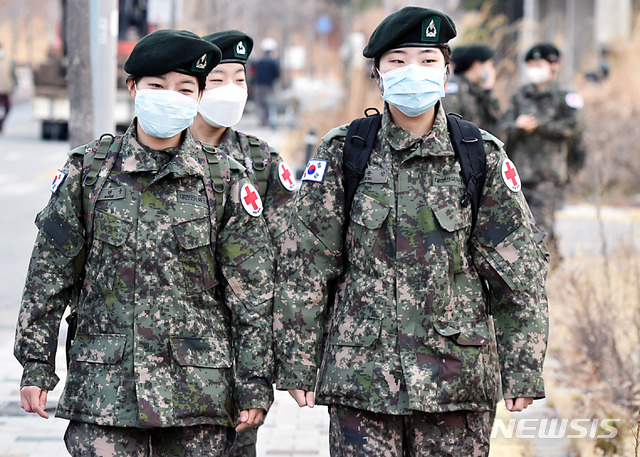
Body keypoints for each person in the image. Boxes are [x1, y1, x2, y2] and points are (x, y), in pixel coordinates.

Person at [273, 7, 549, 456]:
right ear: (377, 73)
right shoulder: (346, 150)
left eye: (426, 60)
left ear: (446, 71)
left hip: (457, 382)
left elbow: (517, 271)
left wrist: (523, 367)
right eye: (398, 61)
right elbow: (306, 261)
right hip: (361, 380)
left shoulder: (479, 155)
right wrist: (299, 361)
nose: (413, 73)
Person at [14, 29, 275, 456]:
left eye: (184, 88)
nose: (170, 96)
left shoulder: (224, 179)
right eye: (157, 86)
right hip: (105, 391)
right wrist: (35, 366)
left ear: (198, 96)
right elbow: (49, 273)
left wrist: (254, 382)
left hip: (198, 394)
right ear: (133, 87)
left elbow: (252, 295)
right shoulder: (89, 173)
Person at [190, 29, 297, 457]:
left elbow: (290, 255)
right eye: (217, 79)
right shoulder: (156, 152)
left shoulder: (261, 160)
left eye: (239, 78)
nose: (231, 90)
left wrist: (273, 363)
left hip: (237, 351)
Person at [501, 42, 585, 259]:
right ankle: (556, 260)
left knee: (540, 222)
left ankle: (540, 269)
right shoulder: (521, 95)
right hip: (520, 173)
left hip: (550, 172)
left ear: (554, 65)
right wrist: (517, 125)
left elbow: (573, 128)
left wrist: (541, 126)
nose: (534, 68)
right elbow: (503, 125)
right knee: (525, 222)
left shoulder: (566, 95)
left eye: (539, 64)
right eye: (531, 64)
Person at [445, 44, 501, 135]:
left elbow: (496, 120)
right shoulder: (455, 87)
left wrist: (488, 90)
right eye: (489, 65)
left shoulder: (479, 89)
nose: (492, 70)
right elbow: (448, 122)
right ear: (477, 65)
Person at [251, 37, 280, 129]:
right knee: (269, 103)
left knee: (260, 104)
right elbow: (277, 75)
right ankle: (268, 120)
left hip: (258, 86)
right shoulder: (273, 62)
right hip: (269, 86)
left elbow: (253, 74)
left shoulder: (258, 61)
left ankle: (262, 121)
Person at [0, 44, 17, 133]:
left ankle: (1, 123)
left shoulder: (8, 62)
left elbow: (13, 75)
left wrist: (15, 85)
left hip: (5, 90)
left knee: (7, 108)